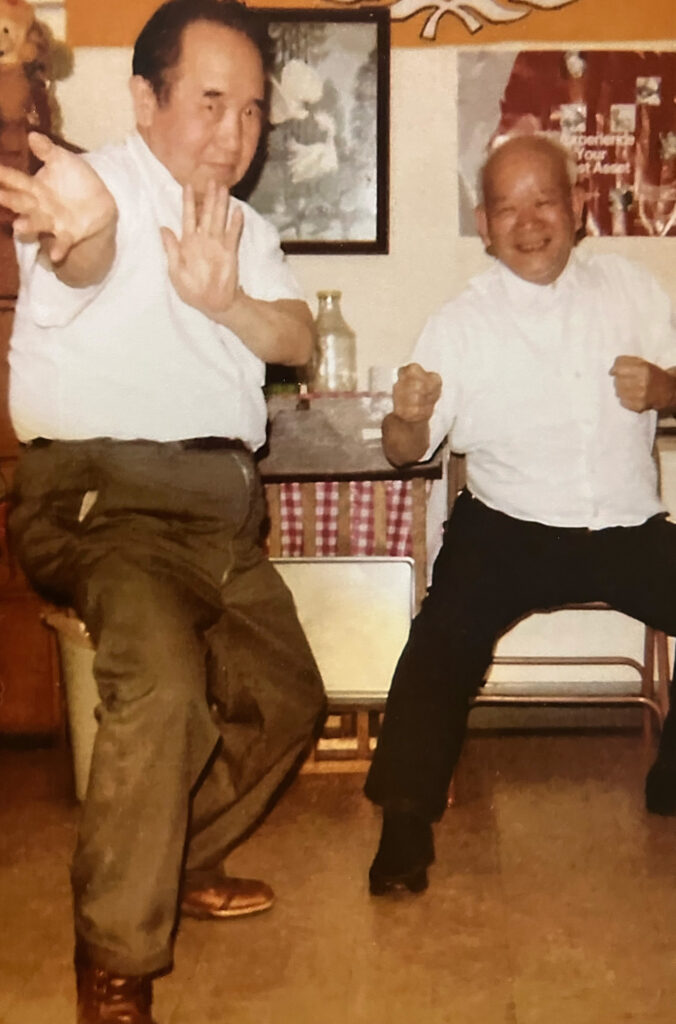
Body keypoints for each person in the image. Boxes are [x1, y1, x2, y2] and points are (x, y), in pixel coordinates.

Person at [0, 1, 325, 1021]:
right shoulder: (92, 189)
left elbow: (296, 338)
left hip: (218, 515)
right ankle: (116, 960)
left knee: (290, 703)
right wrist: (78, 236)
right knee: (165, 689)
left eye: (253, 111)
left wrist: (225, 300)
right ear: (145, 98)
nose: (232, 133)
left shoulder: (248, 225)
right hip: (103, 501)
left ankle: (171, 855)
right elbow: (81, 255)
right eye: (209, 101)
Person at [364, 133, 676, 897]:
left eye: (545, 200)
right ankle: (406, 820)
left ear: (577, 210)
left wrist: (666, 390)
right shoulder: (460, 321)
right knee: (442, 639)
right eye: (508, 207)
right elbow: (408, 451)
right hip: (507, 525)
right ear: (483, 223)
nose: (529, 221)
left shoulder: (635, 291)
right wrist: (406, 417)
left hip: (626, 525)